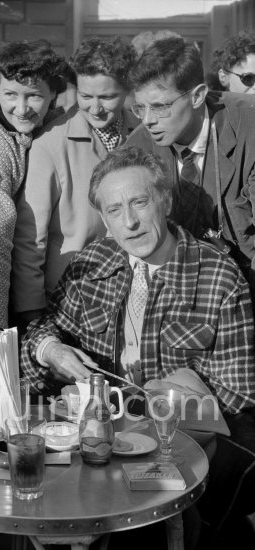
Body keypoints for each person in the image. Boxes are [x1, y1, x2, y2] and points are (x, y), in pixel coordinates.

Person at [21, 146, 255, 549]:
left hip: (179, 446)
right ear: (104, 219)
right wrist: (51, 351)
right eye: (114, 211)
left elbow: (239, 393)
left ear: (164, 201)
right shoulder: (88, 265)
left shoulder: (219, 276)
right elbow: (37, 341)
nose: (129, 222)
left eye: (139, 203)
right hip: (97, 446)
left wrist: (160, 402)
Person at [10, 36, 138, 331]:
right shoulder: (50, 143)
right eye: (85, 96)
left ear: (128, 90)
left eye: (106, 97)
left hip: (132, 294)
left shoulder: (142, 133)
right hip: (69, 300)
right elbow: (30, 238)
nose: (94, 108)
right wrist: (32, 314)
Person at [125, 36, 255, 305]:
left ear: (197, 96)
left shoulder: (249, 127)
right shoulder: (136, 147)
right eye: (140, 107)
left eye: (160, 106)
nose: (148, 120)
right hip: (176, 299)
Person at [0, 39, 73, 368]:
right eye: (10, 95)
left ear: (53, 95)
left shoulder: (51, 131)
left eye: (34, 95)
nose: (22, 107)